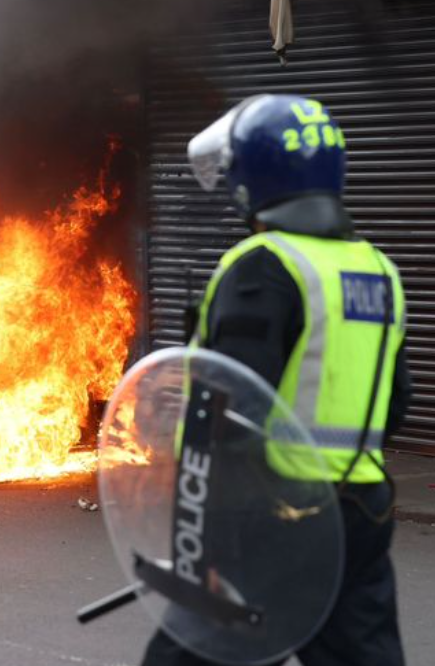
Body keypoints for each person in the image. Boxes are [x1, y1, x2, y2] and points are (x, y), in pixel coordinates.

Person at [142, 95, 410, 666]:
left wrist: (203, 530)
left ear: (255, 177)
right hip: (361, 512)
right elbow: (397, 403)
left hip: (270, 514)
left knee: (192, 652)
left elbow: (229, 409)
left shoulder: (264, 264)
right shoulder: (377, 270)